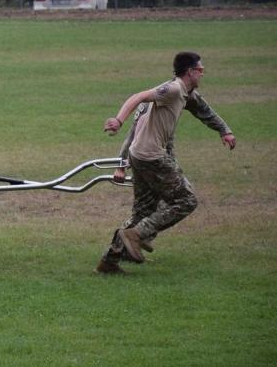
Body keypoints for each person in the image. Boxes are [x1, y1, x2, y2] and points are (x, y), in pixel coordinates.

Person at [96, 52, 236, 274]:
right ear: (190, 72)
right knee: (187, 200)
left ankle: (110, 261)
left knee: (143, 210)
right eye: (200, 70)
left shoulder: (187, 93)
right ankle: (136, 235)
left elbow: (204, 111)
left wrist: (224, 131)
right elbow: (138, 97)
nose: (203, 73)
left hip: (139, 155)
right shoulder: (170, 90)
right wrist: (118, 121)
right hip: (151, 156)